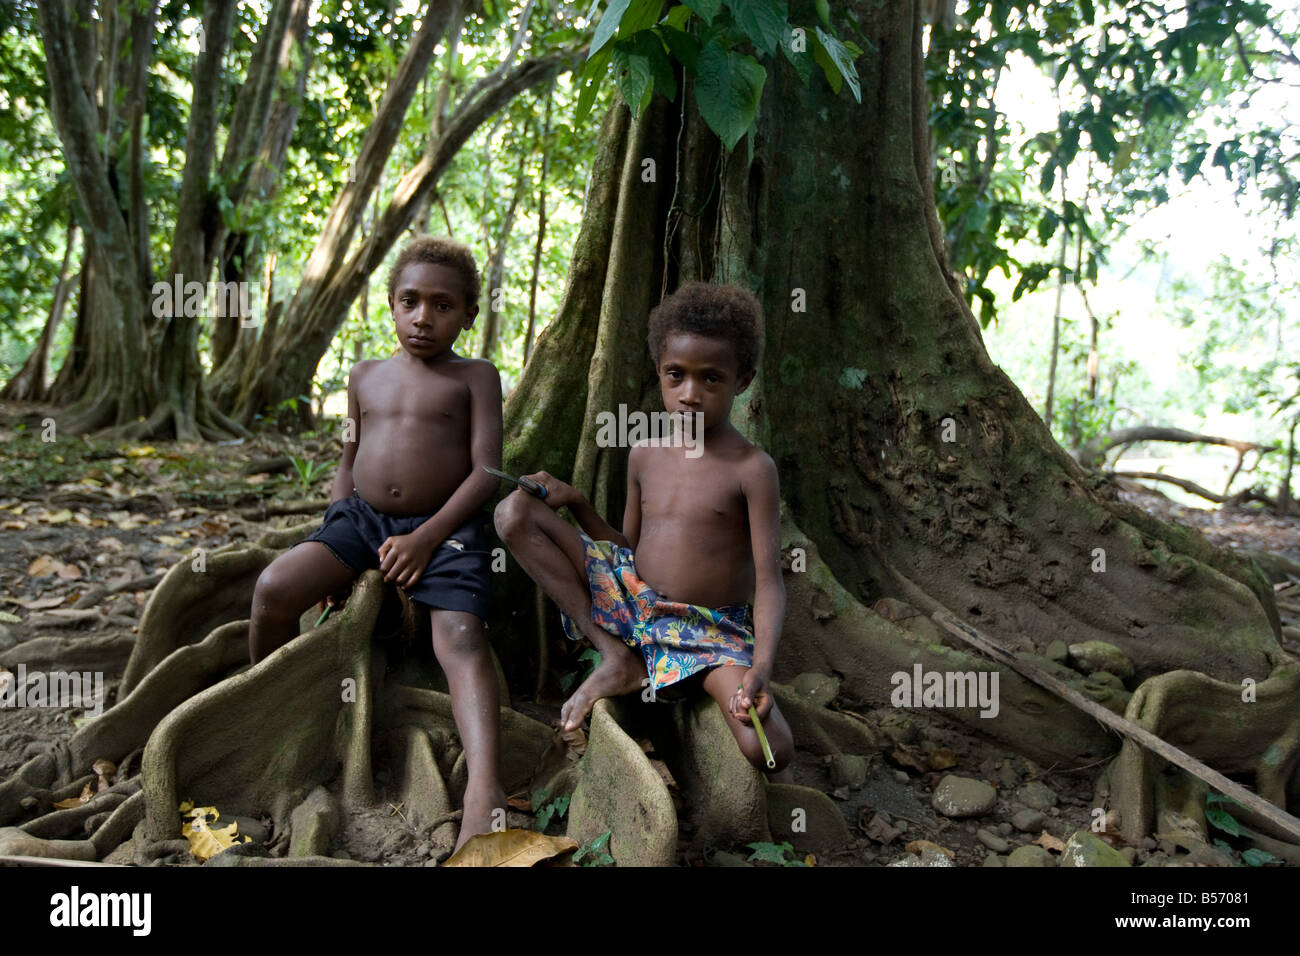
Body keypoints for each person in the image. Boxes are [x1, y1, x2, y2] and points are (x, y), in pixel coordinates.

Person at [248, 236, 506, 848]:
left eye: (443, 306)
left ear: (469, 314)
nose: (423, 318)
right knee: (273, 588)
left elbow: (488, 472)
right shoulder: (363, 375)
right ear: (389, 304)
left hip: (445, 529)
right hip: (360, 522)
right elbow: (349, 455)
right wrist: (338, 529)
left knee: (462, 637)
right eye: (410, 302)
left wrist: (425, 537)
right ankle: (268, 716)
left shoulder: (475, 377)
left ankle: (484, 785)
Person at [495, 282, 794, 772]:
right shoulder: (644, 453)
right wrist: (579, 505)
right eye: (675, 376)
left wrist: (760, 669)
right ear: (659, 372)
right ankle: (618, 658)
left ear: (742, 381)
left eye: (711, 379)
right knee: (514, 513)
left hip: (708, 634)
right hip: (635, 606)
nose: (690, 394)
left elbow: (769, 582)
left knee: (769, 751)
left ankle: (686, 677)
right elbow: (626, 550)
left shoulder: (752, 469)